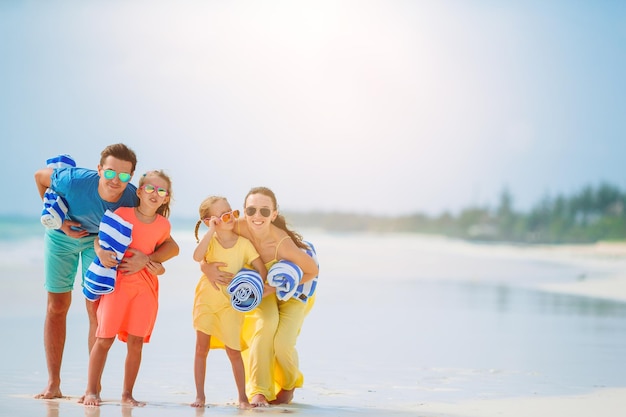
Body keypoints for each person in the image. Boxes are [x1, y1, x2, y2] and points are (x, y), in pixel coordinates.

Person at [33, 144, 180, 399]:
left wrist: (150, 259)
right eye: (110, 172)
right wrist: (61, 222)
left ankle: (93, 388)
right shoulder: (73, 180)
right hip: (61, 237)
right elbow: (40, 177)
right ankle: (53, 383)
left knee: (97, 310)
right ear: (100, 169)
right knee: (57, 305)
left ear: (131, 177)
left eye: (124, 176)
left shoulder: (132, 196)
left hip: (98, 242)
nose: (116, 180)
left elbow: (157, 229)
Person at [201, 187, 318, 406]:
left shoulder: (282, 243)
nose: (257, 216)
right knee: (265, 327)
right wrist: (204, 267)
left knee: (283, 343)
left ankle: (290, 383)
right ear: (244, 211)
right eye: (251, 210)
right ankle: (259, 392)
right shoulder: (237, 227)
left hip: (291, 292)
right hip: (261, 291)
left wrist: (274, 288)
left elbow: (312, 271)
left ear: (273, 214)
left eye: (264, 212)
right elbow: (210, 247)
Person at [82, 170, 176, 407]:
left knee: (136, 342)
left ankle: (127, 394)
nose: (155, 193)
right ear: (140, 191)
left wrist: (156, 265)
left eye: (161, 191)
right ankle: (91, 390)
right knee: (104, 338)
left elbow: (162, 254)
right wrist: (101, 252)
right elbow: (101, 239)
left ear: (166, 198)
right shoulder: (121, 214)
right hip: (117, 286)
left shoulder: (163, 226)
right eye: (150, 188)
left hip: (145, 289)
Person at [191, 196, 267, 409]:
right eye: (224, 216)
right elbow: (197, 257)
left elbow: (261, 271)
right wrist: (210, 232)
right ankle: (200, 396)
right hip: (206, 301)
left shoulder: (244, 244)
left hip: (232, 305)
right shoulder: (210, 242)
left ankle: (242, 397)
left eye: (233, 213)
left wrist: (248, 283)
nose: (232, 218)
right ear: (210, 221)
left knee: (233, 350)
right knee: (201, 348)